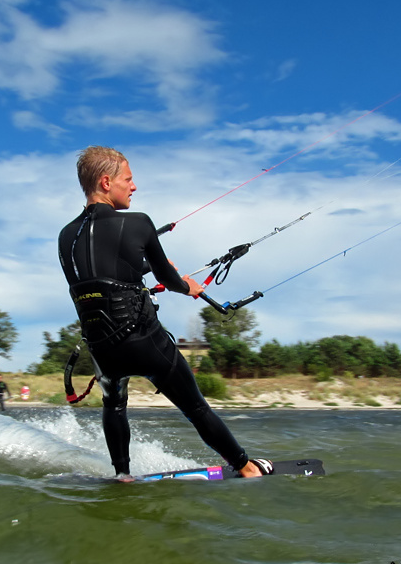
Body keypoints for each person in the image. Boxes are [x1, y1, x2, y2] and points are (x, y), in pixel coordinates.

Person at [57, 146, 270, 479]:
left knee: (113, 404)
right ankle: (246, 467)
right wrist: (189, 286)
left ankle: (123, 475)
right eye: (128, 179)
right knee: (196, 407)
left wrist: (144, 264)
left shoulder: (65, 236)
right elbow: (168, 280)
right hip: (143, 340)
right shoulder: (139, 223)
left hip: (102, 347)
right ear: (105, 181)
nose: (134, 186)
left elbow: (99, 278)